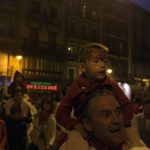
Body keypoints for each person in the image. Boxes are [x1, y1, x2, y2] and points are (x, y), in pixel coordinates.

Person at [55, 43, 136, 148]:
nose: (102, 65)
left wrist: (122, 124)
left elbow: (126, 106)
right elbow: (61, 113)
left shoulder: (112, 84)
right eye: (96, 61)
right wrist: (76, 125)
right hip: (85, 134)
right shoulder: (77, 85)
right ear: (83, 67)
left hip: (111, 135)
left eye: (103, 61)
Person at [59, 87, 149, 150]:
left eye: (119, 112)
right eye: (106, 114)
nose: (116, 120)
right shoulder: (73, 146)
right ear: (88, 124)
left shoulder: (136, 145)